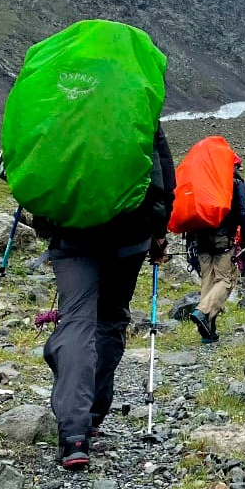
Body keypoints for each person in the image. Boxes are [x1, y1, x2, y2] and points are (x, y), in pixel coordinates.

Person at [38, 124, 174, 470]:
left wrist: (44, 218)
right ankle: (94, 414)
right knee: (111, 318)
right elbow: (163, 171)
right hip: (130, 233)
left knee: (76, 321)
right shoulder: (134, 96)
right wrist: (159, 232)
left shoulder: (60, 98)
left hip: (71, 232)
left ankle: (74, 435)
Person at [184, 156, 245, 343]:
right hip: (223, 240)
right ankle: (203, 312)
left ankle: (208, 331)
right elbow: (243, 211)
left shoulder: (203, 181)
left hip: (200, 240)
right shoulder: (233, 182)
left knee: (208, 281)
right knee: (226, 280)